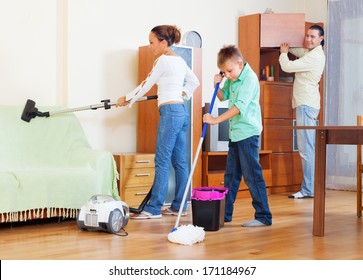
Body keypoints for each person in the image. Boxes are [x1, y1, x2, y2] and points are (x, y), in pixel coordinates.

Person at [116, 25, 200, 219]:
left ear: (163, 43)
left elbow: (146, 85)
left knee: (162, 160)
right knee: (180, 162)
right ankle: (179, 206)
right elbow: (194, 81)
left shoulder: (162, 61)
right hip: (181, 111)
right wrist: (183, 93)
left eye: (152, 42)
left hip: (170, 113)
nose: (150, 46)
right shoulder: (179, 61)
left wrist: (126, 98)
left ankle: (153, 209)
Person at [203, 45, 272, 227]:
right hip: (236, 134)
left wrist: (215, 120)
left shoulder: (249, 78)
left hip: (248, 133)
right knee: (231, 176)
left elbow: (239, 107)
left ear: (239, 63)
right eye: (224, 72)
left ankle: (263, 216)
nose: (228, 75)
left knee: (252, 175)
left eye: (229, 71)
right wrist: (216, 84)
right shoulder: (233, 78)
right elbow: (222, 96)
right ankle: (224, 215)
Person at [279, 25, 326, 199]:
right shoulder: (311, 53)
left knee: (306, 149)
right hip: (306, 104)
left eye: (313, 37)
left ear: (321, 39)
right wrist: (288, 46)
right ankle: (311, 188)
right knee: (308, 148)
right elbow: (300, 52)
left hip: (306, 105)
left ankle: (309, 189)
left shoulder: (315, 57)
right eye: (307, 36)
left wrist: (284, 53)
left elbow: (288, 67)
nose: (308, 39)